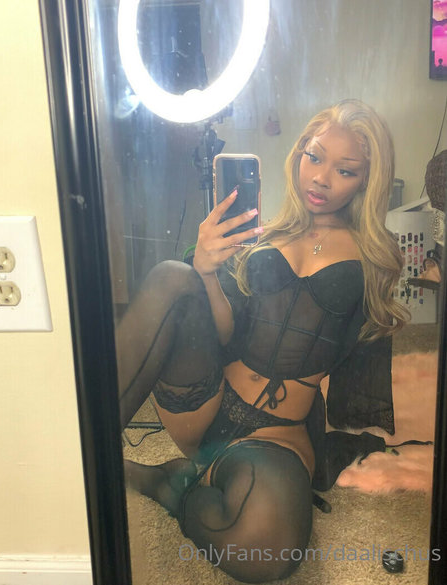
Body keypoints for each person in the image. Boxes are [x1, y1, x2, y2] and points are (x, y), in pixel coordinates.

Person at [118, 99, 409, 583]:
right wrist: (205, 271)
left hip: (279, 433)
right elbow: (226, 333)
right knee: (173, 276)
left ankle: (170, 481)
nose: (321, 178)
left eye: (345, 170)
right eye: (314, 157)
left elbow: (363, 350)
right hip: (207, 402)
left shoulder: (375, 257)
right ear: (299, 153)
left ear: (367, 180)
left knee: (267, 552)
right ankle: (80, 447)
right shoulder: (261, 235)